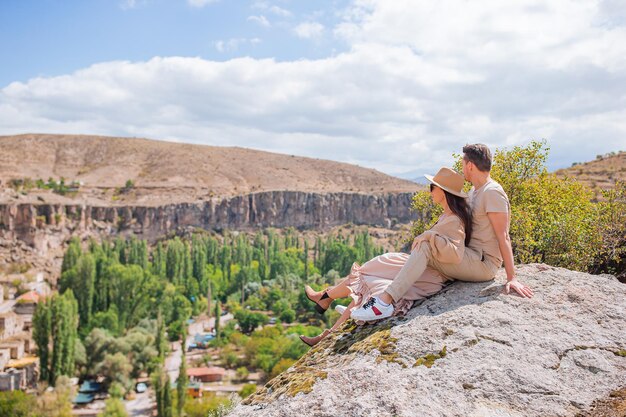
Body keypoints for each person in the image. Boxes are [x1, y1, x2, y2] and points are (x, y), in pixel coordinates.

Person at [350, 143, 533, 322]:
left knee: (427, 246)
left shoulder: (493, 192)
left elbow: (504, 236)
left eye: (463, 164)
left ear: (470, 165)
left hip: (484, 263)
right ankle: (371, 301)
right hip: (468, 256)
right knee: (416, 256)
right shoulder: (474, 192)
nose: (462, 168)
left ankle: (384, 302)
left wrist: (512, 278)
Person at [300, 166, 471, 346]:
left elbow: (454, 254)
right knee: (372, 270)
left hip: (431, 274)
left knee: (374, 283)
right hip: (424, 267)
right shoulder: (448, 215)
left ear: (443, 192)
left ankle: (328, 307)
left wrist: (429, 236)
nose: (429, 192)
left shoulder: (454, 220)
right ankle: (328, 303)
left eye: (432, 187)